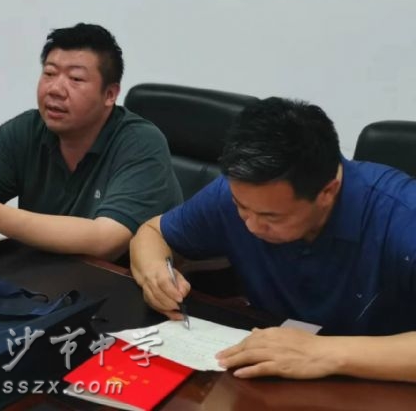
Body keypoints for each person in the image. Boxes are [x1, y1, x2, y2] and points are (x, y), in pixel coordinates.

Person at [130, 97, 416, 382]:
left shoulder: (402, 216)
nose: (251, 225)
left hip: (381, 383)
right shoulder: (240, 193)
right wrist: (155, 273)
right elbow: (153, 233)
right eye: (241, 207)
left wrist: (323, 351)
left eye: (272, 217)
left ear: (328, 192)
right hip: (274, 375)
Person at [0, 23, 182, 261]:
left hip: (116, 280)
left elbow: (105, 241)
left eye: (75, 79)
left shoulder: (140, 142)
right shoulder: (28, 129)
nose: (55, 89)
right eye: (50, 73)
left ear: (110, 94)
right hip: (42, 273)